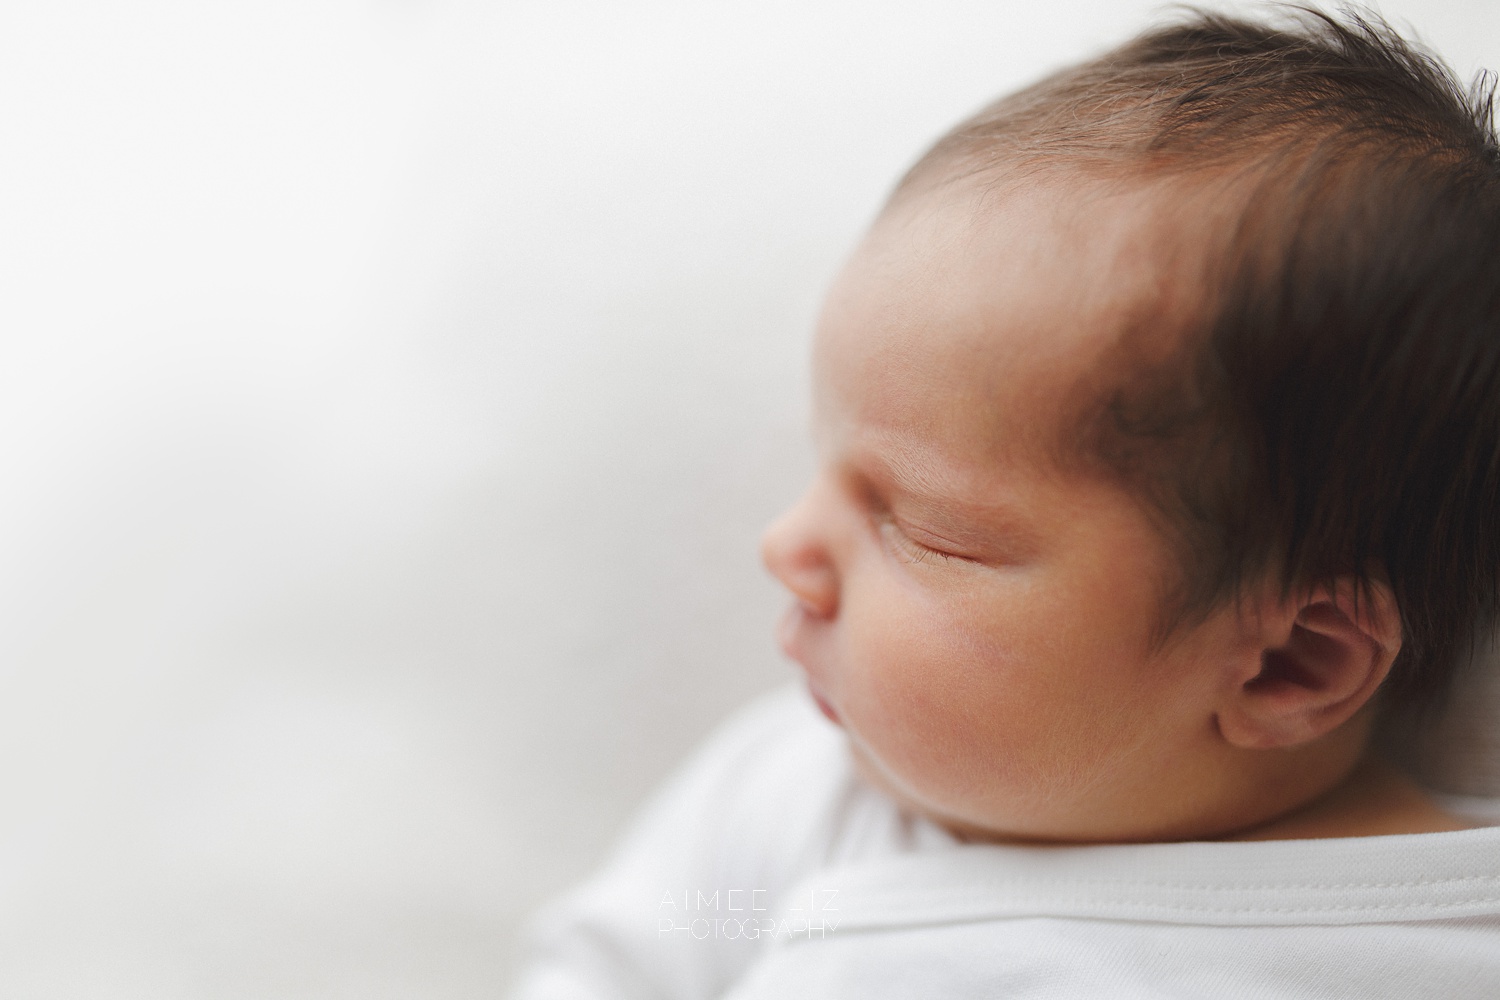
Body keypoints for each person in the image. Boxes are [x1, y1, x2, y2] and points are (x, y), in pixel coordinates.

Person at [510, 7, 1500, 997]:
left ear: (1290, 665)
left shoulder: (1435, 947)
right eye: (828, 465)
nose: (786, 543)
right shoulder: (787, 810)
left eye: (925, 528)